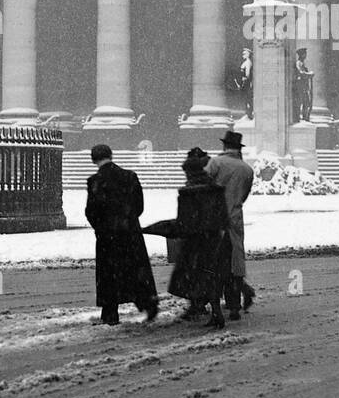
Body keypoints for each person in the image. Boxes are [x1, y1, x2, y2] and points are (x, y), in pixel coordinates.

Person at [145, 148, 233, 328]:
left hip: (196, 242)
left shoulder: (188, 193)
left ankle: (201, 308)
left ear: (189, 172)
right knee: (210, 276)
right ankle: (215, 313)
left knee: (192, 277)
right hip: (215, 239)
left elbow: (184, 224)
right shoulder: (216, 189)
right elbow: (223, 218)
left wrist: (161, 229)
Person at [84, 144, 159, 325]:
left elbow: (91, 211)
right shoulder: (129, 176)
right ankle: (147, 302)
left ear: (94, 159)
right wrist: (128, 220)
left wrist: (102, 227)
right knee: (135, 269)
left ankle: (110, 312)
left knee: (109, 274)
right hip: (129, 232)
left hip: (107, 236)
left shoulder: (95, 181)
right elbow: (139, 205)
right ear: (111, 155)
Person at [206, 130, 255, 319]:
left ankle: (215, 305)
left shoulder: (216, 163)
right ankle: (235, 306)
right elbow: (244, 195)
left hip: (214, 218)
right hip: (234, 217)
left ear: (225, 146)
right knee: (234, 263)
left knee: (215, 263)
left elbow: (205, 187)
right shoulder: (246, 169)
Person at [293, 47, 314, 122]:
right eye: (305, 54)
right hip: (300, 86)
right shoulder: (298, 63)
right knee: (301, 102)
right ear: (301, 55)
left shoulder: (302, 63)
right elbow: (301, 73)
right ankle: (299, 118)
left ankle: (305, 117)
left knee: (306, 102)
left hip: (304, 86)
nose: (306, 55)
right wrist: (309, 74)